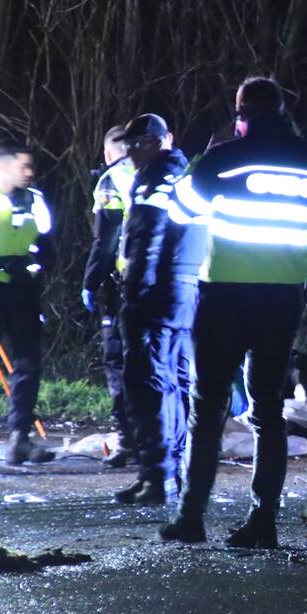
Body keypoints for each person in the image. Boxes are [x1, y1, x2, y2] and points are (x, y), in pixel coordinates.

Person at [161, 77, 307, 547]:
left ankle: (191, 517)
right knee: (267, 411)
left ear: (241, 114)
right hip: (282, 296)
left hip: (225, 294)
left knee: (208, 405)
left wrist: (205, 156)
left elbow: (180, 209)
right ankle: (263, 522)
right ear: (282, 110)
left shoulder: (222, 159)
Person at [113, 113, 205, 505]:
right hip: (186, 291)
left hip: (156, 292)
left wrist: (137, 291)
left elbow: (147, 234)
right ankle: (174, 471)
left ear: (154, 143)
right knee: (176, 382)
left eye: (134, 145)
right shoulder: (188, 175)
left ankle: (156, 476)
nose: (129, 154)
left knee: (146, 382)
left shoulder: (154, 178)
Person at [0, 140, 55, 465]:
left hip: (23, 290)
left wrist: (34, 262)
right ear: (3, 167)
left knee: (28, 364)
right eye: (24, 166)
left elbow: (48, 242)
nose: (30, 173)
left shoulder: (35, 200)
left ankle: (19, 438)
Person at [81, 126, 137, 468]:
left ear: (107, 153)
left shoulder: (113, 180)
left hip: (126, 286)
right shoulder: (170, 173)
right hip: (172, 285)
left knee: (118, 360)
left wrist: (90, 282)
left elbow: (105, 240)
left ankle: (129, 438)